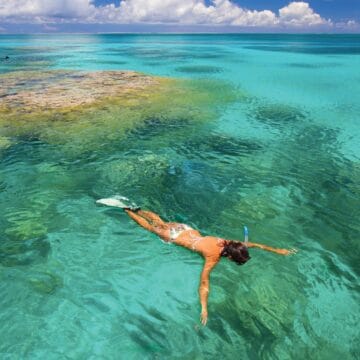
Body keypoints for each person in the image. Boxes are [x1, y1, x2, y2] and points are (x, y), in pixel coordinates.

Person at [97, 197, 297, 326]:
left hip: (184, 229)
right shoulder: (213, 257)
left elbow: (252, 244)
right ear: (229, 256)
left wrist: (276, 250)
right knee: (149, 228)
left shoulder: (226, 242)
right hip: (174, 237)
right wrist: (204, 307)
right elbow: (204, 284)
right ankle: (125, 209)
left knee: (160, 221)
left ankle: (136, 207)